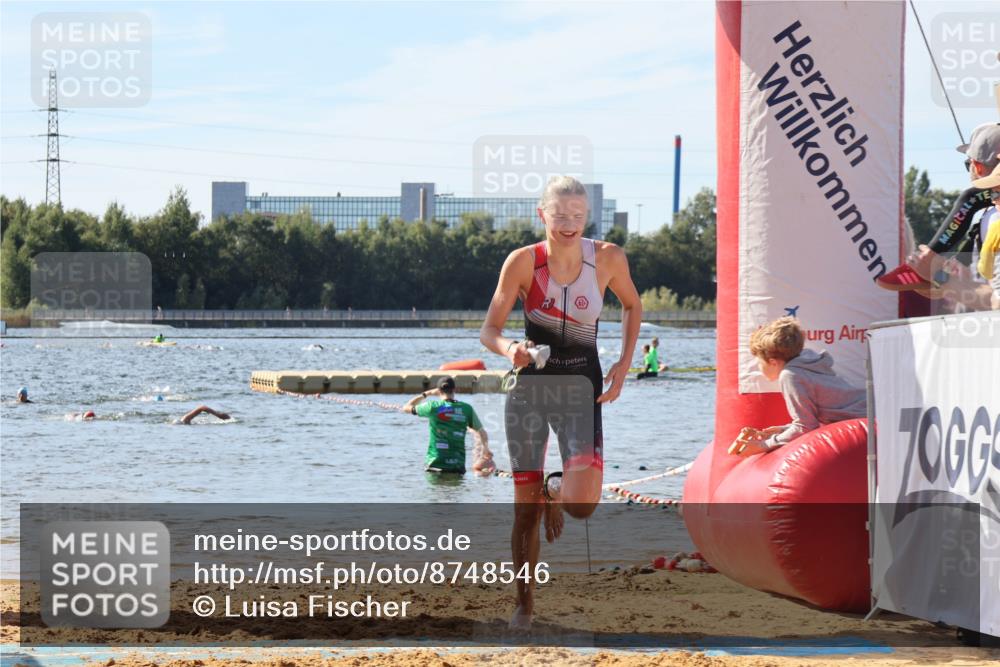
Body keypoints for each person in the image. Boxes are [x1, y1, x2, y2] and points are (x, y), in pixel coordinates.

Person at [479, 175, 642, 630]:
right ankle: (525, 605)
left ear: (586, 216)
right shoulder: (523, 263)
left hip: (580, 390)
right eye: (560, 214)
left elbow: (633, 305)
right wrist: (509, 347)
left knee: (582, 505)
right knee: (522, 510)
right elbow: (488, 330)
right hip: (529, 390)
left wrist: (624, 363)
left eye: (577, 215)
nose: (569, 223)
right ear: (542, 214)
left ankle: (556, 490)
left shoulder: (607, 258)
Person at [878, 122, 1000, 294]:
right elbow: (943, 291)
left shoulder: (994, 218)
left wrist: (936, 274)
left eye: (968, 165)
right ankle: (925, 263)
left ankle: (927, 260)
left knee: (970, 197)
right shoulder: (988, 215)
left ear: (978, 166)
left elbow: (991, 297)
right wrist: (938, 278)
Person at [729, 317, 866, 457]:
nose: (758, 367)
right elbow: (821, 414)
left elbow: (805, 427)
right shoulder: (807, 363)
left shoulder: (790, 375)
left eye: (759, 361)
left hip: (866, 417)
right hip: (870, 408)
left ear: (773, 362)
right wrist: (784, 430)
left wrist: (765, 445)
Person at [401, 376, 493, 474]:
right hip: (457, 466)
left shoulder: (432, 406)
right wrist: (486, 451)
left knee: (436, 489)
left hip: (434, 464)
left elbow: (406, 407)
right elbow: (482, 433)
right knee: (455, 489)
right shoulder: (466, 409)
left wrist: (426, 394)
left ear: (439, 391)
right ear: (454, 390)